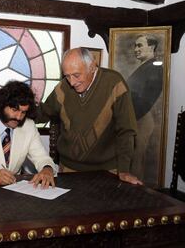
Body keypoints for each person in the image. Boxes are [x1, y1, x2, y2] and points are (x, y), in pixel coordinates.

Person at [37, 47, 142, 185]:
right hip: (68, 170)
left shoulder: (114, 83)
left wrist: (124, 170)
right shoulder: (63, 88)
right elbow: (43, 113)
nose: (72, 82)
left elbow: (126, 130)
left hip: (107, 171)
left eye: (76, 75)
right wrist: (17, 105)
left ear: (92, 67)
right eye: (67, 76)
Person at [127, 35, 163, 180]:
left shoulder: (155, 68)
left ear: (152, 47)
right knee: (131, 158)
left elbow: (147, 100)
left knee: (136, 159)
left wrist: (129, 117)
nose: (136, 49)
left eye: (140, 45)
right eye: (135, 46)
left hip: (141, 118)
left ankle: (135, 195)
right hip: (135, 117)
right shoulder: (144, 67)